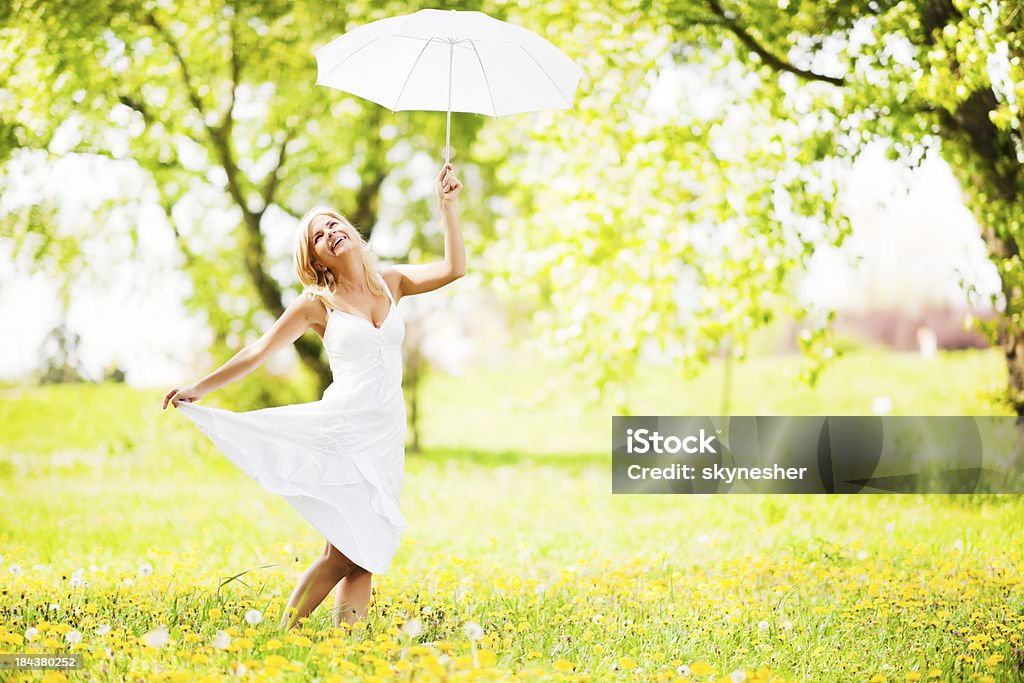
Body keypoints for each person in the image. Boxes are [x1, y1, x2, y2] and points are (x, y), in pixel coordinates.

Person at [162, 163, 465, 632]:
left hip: (384, 434)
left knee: (365, 546)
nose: (331, 233)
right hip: (342, 429)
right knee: (343, 549)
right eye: (320, 235)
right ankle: (285, 633)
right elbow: (260, 350)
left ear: (350, 231)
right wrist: (201, 387)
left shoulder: (392, 281)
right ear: (318, 257)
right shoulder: (315, 304)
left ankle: (352, 647)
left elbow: (453, 268)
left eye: (334, 224)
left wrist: (447, 208)